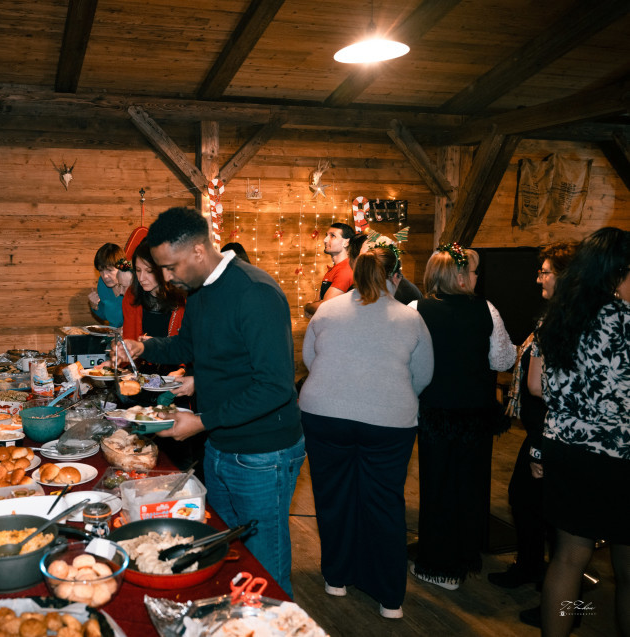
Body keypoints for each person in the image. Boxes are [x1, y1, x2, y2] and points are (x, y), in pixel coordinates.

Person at [116, 207, 306, 596]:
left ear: (199, 251)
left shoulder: (255, 293)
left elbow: (274, 388)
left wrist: (202, 422)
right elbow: (188, 345)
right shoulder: (200, 290)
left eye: (170, 266)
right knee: (227, 557)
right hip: (220, 442)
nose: (166, 276)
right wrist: (145, 346)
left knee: (264, 567)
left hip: (262, 453)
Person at [300, 247, 434, 619]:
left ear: (356, 276)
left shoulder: (327, 310)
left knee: (333, 497)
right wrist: (390, 394)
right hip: (388, 421)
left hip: (324, 414)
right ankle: (389, 598)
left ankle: (336, 578)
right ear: (395, 278)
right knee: (385, 503)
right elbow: (423, 374)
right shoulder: (410, 317)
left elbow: (311, 359)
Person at [534, 227, 630, 637]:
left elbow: (542, 387)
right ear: (619, 271)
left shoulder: (558, 318)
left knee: (568, 559)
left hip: (565, 449)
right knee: (627, 570)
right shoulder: (625, 319)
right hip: (619, 456)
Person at [409, 244, 516, 591]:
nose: (477, 276)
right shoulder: (487, 309)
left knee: (437, 485)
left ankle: (438, 565)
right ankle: (464, 556)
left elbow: (406, 360)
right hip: (474, 414)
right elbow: (502, 361)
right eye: (473, 271)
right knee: (470, 486)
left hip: (435, 412)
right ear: (458, 276)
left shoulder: (416, 310)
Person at [489, 243, 576, 602]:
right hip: (545, 427)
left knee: (536, 503)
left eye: (546, 272)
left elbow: (541, 387)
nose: (539, 278)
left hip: (550, 428)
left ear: (565, 276)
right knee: (529, 501)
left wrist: (540, 445)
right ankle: (534, 569)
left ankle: (552, 586)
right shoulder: (557, 315)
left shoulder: (560, 322)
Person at [304, 222, 354, 317]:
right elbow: (317, 302)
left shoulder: (346, 269)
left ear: (346, 242)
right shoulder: (334, 268)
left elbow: (325, 308)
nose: (325, 240)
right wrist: (313, 307)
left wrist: (308, 307)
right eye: (326, 235)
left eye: (332, 236)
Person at [88, 243, 128, 327]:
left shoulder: (133, 284)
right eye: (101, 270)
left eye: (109, 270)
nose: (105, 276)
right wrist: (95, 306)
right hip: (113, 333)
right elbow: (105, 316)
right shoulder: (102, 284)